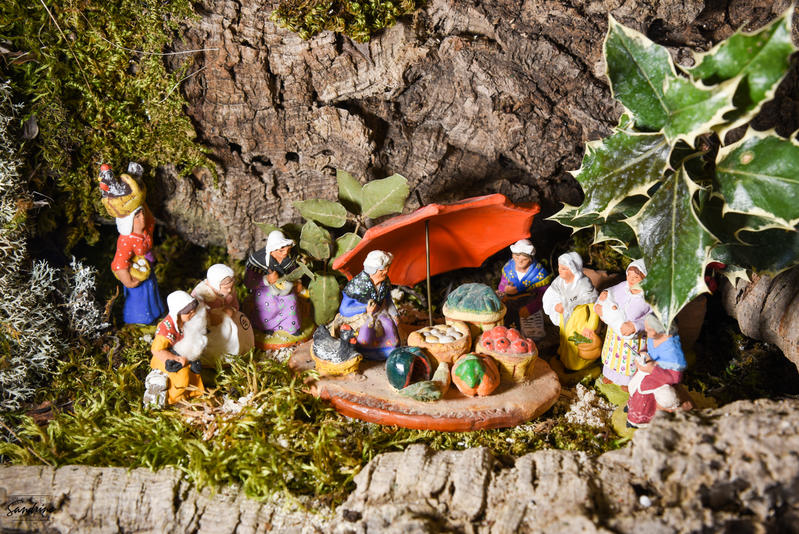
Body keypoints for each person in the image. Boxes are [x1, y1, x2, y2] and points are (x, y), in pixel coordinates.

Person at [332, 250, 400, 360]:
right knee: (366, 330)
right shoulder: (356, 286)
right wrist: (365, 309)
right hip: (360, 315)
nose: (386, 271)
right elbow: (344, 309)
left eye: (388, 267)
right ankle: (364, 352)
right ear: (372, 270)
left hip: (380, 311)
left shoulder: (385, 282)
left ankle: (389, 351)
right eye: (382, 269)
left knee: (389, 325)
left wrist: (394, 313)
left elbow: (388, 299)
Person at [594, 259, 651, 388]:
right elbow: (608, 293)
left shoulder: (650, 297)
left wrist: (635, 326)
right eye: (629, 275)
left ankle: (628, 381)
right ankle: (610, 374)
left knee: (628, 362)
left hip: (634, 339)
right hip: (614, 335)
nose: (630, 279)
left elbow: (654, 318)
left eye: (636, 277)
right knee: (612, 357)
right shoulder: (622, 287)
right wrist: (601, 300)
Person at [626, 314, 690, 428]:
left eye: (649, 329)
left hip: (661, 378)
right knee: (632, 384)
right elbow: (648, 348)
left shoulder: (672, 351)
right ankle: (631, 407)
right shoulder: (653, 337)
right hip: (648, 369)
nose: (646, 331)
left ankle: (640, 420)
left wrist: (652, 369)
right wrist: (643, 353)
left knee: (644, 392)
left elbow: (675, 377)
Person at [542, 252, 600, 371]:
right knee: (564, 337)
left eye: (564, 268)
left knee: (576, 340)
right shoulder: (559, 281)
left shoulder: (583, 284)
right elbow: (553, 295)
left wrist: (590, 326)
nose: (560, 270)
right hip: (565, 318)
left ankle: (577, 364)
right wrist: (556, 306)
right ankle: (564, 358)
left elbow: (594, 306)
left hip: (579, 319)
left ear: (572, 269)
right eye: (559, 267)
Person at [149, 291, 205, 405]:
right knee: (182, 375)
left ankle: (193, 393)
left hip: (182, 352)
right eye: (188, 312)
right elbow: (156, 349)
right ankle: (175, 399)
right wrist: (175, 358)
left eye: (193, 310)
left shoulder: (185, 322)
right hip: (166, 357)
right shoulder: (166, 330)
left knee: (195, 368)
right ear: (178, 312)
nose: (193, 313)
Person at [111, 205, 164, 324]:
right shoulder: (126, 240)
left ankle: (156, 313)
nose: (142, 219)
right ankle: (139, 320)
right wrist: (128, 281)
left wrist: (140, 201)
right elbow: (119, 263)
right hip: (136, 276)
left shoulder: (145, 231)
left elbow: (150, 219)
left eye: (142, 214)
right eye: (137, 217)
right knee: (139, 298)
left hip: (147, 269)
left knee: (152, 292)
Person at [192, 264, 253, 365]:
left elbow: (235, 304)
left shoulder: (230, 291)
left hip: (229, 318)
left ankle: (241, 351)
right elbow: (196, 314)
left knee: (241, 328)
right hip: (210, 325)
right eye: (225, 288)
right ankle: (217, 360)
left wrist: (232, 310)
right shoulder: (201, 294)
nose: (229, 291)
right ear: (215, 284)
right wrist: (211, 317)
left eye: (231, 287)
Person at [243, 230, 303, 335]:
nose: (285, 252)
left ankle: (290, 327)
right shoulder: (257, 260)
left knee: (291, 301)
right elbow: (248, 281)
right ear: (272, 250)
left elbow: (294, 272)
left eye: (287, 249)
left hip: (284, 286)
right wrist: (266, 279)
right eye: (281, 250)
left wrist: (297, 281)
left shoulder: (290, 258)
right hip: (263, 288)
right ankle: (265, 326)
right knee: (269, 303)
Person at [497, 239, 552, 329]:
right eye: (516, 257)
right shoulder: (508, 268)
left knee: (528, 331)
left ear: (530, 259)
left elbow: (544, 295)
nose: (519, 261)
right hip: (509, 305)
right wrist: (504, 289)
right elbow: (502, 284)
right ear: (512, 255)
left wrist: (531, 308)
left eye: (524, 259)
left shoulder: (539, 274)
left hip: (528, 310)